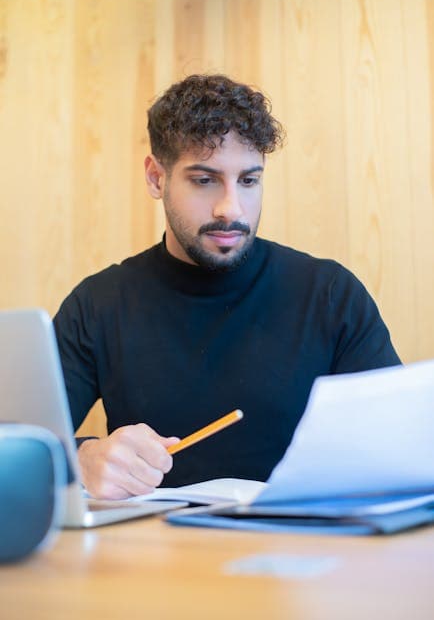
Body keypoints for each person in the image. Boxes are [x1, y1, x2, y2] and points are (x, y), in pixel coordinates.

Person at [53, 74, 401, 499]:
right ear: (155, 177)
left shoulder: (330, 295)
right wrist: (80, 458)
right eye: (204, 180)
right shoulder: (97, 304)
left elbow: (399, 447)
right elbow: (16, 445)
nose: (230, 209)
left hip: (301, 552)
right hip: (150, 556)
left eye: (249, 181)